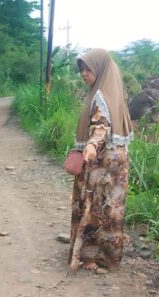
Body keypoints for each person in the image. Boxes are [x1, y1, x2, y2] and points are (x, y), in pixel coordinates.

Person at [67, 48, 133, 273]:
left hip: (103, 164)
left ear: (101, 69)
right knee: (111, 210)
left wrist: (93, 144)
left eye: (88, 69)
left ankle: (91, 257)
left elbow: (101, 126)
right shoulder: (113, 94)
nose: (84, 74)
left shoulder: (99, 96)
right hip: (117, 163)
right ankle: (108, 256)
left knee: (95, 207)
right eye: (81, 70)